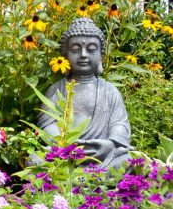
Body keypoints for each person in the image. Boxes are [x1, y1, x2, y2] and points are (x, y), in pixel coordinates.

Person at [37, 17, 131, 169]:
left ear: (100, 55)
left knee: (127, 160)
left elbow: (120, 125)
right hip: (64, 154)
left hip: (101, 155)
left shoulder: (109, 91)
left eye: (91, 49)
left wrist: (108, 144)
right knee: (35, 160)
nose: (83, 55)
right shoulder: (57, 89)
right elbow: (47, 125)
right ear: (65, 54)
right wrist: (65, 144)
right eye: (75, 49)